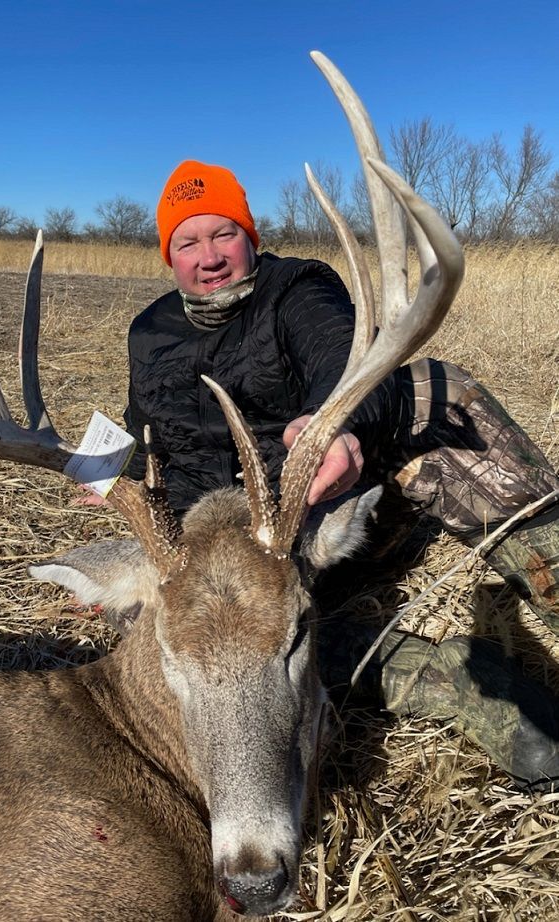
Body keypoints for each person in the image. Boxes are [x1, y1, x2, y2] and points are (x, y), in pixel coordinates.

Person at [100, 160, 559, 790]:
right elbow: (146, 438)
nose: (209, 257)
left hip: (321, 516)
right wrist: (116, 481)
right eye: (188, 242)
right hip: (226, 557)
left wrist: (335, 426)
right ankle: (459, 684)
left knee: (435, 392)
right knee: (166, 632)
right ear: (168, 255)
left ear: (250, 236)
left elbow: (353, 363)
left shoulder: (298, 290)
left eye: (224, 234)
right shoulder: (149, 332)